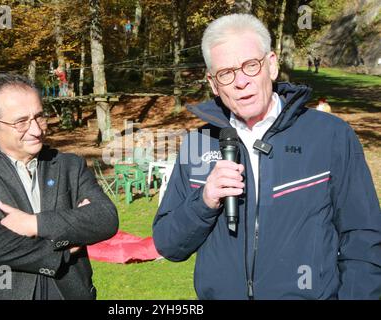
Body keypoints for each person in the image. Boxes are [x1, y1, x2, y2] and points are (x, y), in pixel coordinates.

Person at [152, 14, 381, 299]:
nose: (240, 82)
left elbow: (363, 237)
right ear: (213, 83)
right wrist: (205, 200)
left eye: (250, 66)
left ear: (271, 65)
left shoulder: (330, 134)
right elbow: (168, 245)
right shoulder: (198, 144)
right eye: (226, 73)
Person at [0, 73, 119, 300]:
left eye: (39, 117)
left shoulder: (70, 166)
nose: (36, 130)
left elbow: (105, 219)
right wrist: (63, 248)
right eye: (21, 122)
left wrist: (33, 224)